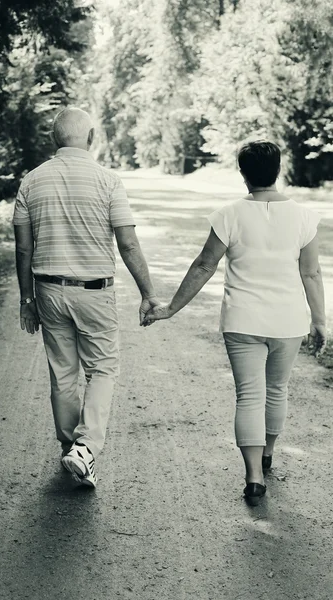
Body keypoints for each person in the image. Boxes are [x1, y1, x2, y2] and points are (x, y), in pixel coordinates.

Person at [143, 140, 327, 506]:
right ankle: (268, 454)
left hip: (243, 320)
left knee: (249, 396)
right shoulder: (305, 217)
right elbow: (311, 273)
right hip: (288, 321)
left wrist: (170, 309)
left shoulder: (229, 214)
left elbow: (203, 266)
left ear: (243, 173)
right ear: (278, 170)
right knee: (277, 390)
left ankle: (254, 476)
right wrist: (320, 321)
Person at [13, 106, 159, 488]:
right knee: (103, 369)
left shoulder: (31, 181)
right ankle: (86, 448)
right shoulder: (108, 181)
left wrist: (26, 300)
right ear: (91, 137)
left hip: (47, 289)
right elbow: (127, 243)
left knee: (63, 373)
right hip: (94, 291)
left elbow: (23, 249)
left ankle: (71, 450)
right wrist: (148, 294)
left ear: (53, 139)